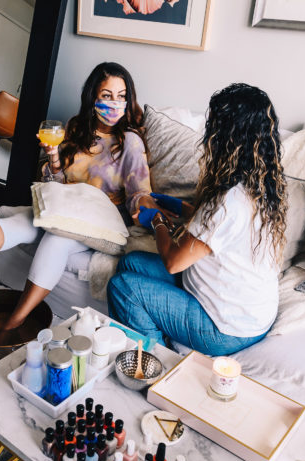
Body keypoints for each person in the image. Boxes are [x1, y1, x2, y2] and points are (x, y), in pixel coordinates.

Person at [0, 62, 164, 330]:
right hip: (68, 209)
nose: (115, 104)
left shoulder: (129, 142)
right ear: (93, 97)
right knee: (28, 219)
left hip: (105, 222)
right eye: (107, 96)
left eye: (121, 96)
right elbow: (57, 185)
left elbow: (138, 193)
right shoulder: (76, 128)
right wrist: (53, 157)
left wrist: (148, 207)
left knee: (57, 237)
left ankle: (14, 320)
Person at [107, 83, 288, 356]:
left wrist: (157, 220)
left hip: (224, 328)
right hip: (250, 313)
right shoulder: (261, 186)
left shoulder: (227, 202)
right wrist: (177, 206)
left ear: (226, 136)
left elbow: (172, 261)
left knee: (122, 287)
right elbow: (219, 228)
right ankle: (157, 326)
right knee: (130, 262)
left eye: (212, 126)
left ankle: (158, 360)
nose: (208, 134)